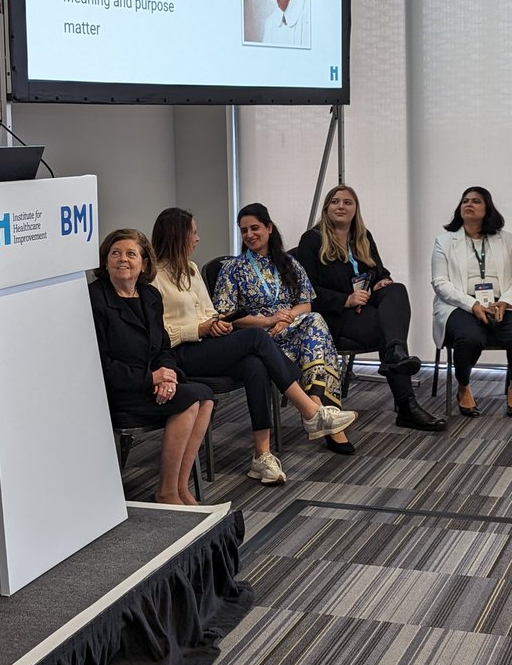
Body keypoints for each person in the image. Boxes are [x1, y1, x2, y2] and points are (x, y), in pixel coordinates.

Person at [151, 207, 358, 483]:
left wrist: (215, 324)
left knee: (256, 364)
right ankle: (310, 411)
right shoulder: (154, 277)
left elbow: (210, 313)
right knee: (257, 339)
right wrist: (201, 327)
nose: (198, 239)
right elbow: (159, 332)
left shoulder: (190, 270)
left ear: (269, 228)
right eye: (194, 233)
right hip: (180, 352)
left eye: (254, 228)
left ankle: (261, 456)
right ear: (178, 236)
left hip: (209, 342)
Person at [296, 184, 445, 433]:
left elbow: (378, 272)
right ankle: (406, 404)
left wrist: (381, 281)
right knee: (389, 331)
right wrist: (346, 300)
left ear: (356, 209)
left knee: (396, 290)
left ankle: (395, 353)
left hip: (364, 309)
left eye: (347, 202)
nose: (341, 206)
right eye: (335, 202)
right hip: (334, 317)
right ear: (326, 208)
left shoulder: (362, 237)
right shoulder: (312, 240)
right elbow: (305, 292)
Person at [212, 203, 358, 454]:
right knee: (317, 334)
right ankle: (322, 418)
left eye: (255, 228)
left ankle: (315, 407)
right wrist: (268, 321)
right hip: (257, 338)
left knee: (314, 320)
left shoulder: (289, 262)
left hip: (290, 331)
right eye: (244, 230)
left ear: (269, 228)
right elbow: (227, 318)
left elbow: (305, 303)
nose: (249, 235)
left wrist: (286, 318)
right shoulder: (232, 270)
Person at [89, 228, 213, 504]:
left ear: (144, 263)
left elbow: (164, 348)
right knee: (191, 399)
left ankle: (180, 487)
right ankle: (167, 491)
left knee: (205, 396)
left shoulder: (150, 296)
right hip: (119, 391)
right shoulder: (95, 299)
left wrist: (167, 377)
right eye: (115, 253)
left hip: (150, 383)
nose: (123, 259)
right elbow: (100, 364)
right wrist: (150, 378)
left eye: (131, 254)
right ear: (105, 261)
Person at [431, 187, 512, 418]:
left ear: (487, 208)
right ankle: (464, 386)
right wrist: (472, 305)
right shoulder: (444, 241)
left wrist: (505, 302)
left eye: (476, 201)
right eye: (465, 201)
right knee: (469, 338)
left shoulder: (505, 239)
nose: (469, 204)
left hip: (501, 304)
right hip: (459, 304)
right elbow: (440, 283)